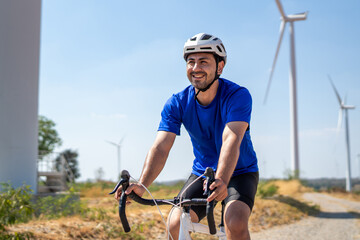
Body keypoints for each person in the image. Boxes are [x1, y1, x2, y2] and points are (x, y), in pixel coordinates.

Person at [115, 33, 259, 240]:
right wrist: (142, 184)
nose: (196, 68)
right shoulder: (177, 102)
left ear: (220, 66)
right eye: (191, 62)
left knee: (234, 222)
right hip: (202, 174)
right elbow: (161, 147)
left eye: (203, 62)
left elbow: (231, 139)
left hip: (240, 172)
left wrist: (222, 179)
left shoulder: (237, 96)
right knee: (174, 224)